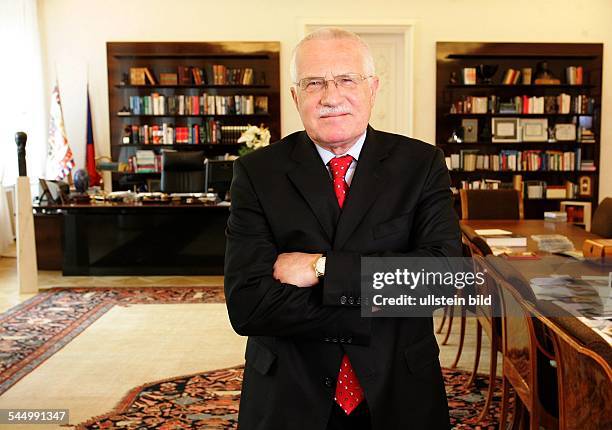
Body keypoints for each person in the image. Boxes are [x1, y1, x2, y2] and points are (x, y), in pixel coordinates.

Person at [224, 27, 461, 430]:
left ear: (373, 88)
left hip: (400, 390)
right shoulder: (256, 172)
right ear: (296, 96)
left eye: (347, 79)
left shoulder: (421, 165)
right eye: (314, 82)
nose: (331, 97)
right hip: (289, 396)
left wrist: (322, 269)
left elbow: (438, 281)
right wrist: (380, 298)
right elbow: (249, 305)